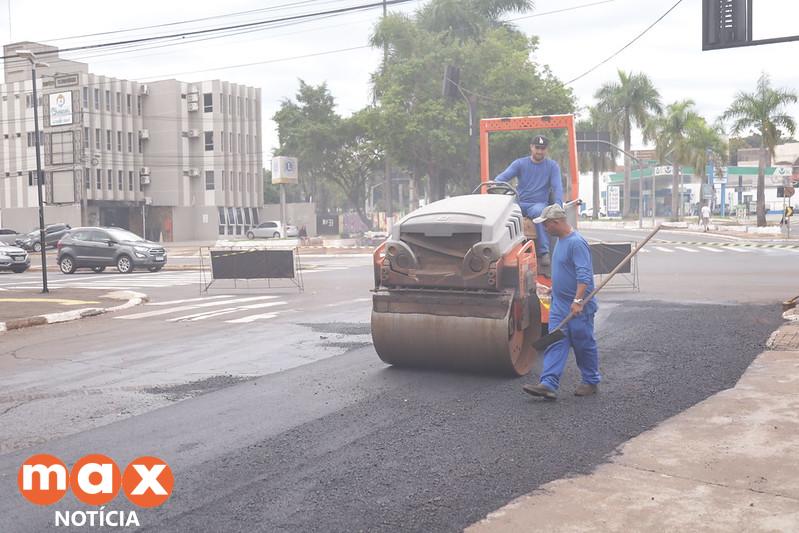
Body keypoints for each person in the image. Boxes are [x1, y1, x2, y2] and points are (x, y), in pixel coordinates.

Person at [522, 204, 600, 400]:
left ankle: (591, 381)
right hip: (559, 304)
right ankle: (548, 383)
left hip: (579, 305)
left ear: (556, 222)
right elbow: (566, 271)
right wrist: (553, 289)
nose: (544, 228)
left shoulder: (577, 243)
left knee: (583, 344)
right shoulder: (560, 241)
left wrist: (578, 300)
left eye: (546, 224)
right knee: (555, 341)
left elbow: (584, 275)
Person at [494, 135, 563, 266]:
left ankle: (544, 252)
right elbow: (501, 179)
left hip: (537, 204)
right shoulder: (520, 164)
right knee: (503, 213)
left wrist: (558, 206)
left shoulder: (552, 166)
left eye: (542, 148)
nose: (539, 151)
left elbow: (557, 187)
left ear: (546, 149)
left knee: (540, 213)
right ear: (531, 147)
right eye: (537, 148)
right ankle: (500, 252)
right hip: (519, 203)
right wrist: (495, 184)